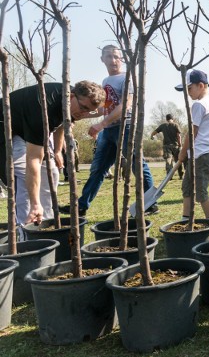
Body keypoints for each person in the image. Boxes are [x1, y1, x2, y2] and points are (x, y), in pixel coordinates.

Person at [61, 45, 155, 216]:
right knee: (98, 169)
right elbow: (104, 109)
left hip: (126, 127)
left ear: (122, 59)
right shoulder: (105, 82)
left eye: (116, 57)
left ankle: (150, 203)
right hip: (109, 131)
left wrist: (101, 124)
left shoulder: (127, 78)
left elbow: (125, 104)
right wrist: (80, 115)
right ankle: (81, 206)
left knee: (137, 164)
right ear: (102, 59)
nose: (113, 60)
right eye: (109, 56)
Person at [0, 81, 105, 225]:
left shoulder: (71, 103)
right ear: (71, 96)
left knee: (52, 174)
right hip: (5, 129)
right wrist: (36, 203)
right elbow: (33, 159)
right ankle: (25, 231)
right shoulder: (43, 109)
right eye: (83, 108)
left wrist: (57, 151)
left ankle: (46, 225)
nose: (84, 114)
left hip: (24, 128)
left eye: (89, 111)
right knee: (23, 176)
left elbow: (63, 123)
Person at [175, 69, 209, 221]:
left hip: (202, 153)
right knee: (187, 188)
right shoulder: (208, 103)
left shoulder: (199, 105)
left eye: (189, 88)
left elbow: (192, 131)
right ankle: (185, 219)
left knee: (200, 192)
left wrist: (182, 151)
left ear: (200, 85)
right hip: (198, 153)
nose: (187, 93)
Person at [150, 113, 183, 180]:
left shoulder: (163, 126)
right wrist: (180, 145)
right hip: (176, 146)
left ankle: (169, 176)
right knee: (178, 161)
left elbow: (154, 132)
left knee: (168, 160)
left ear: (166, 119)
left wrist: (152, 136)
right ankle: (181, 175)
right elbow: (178, 136)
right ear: (172, 119)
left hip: (167, 146)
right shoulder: (175, 125)